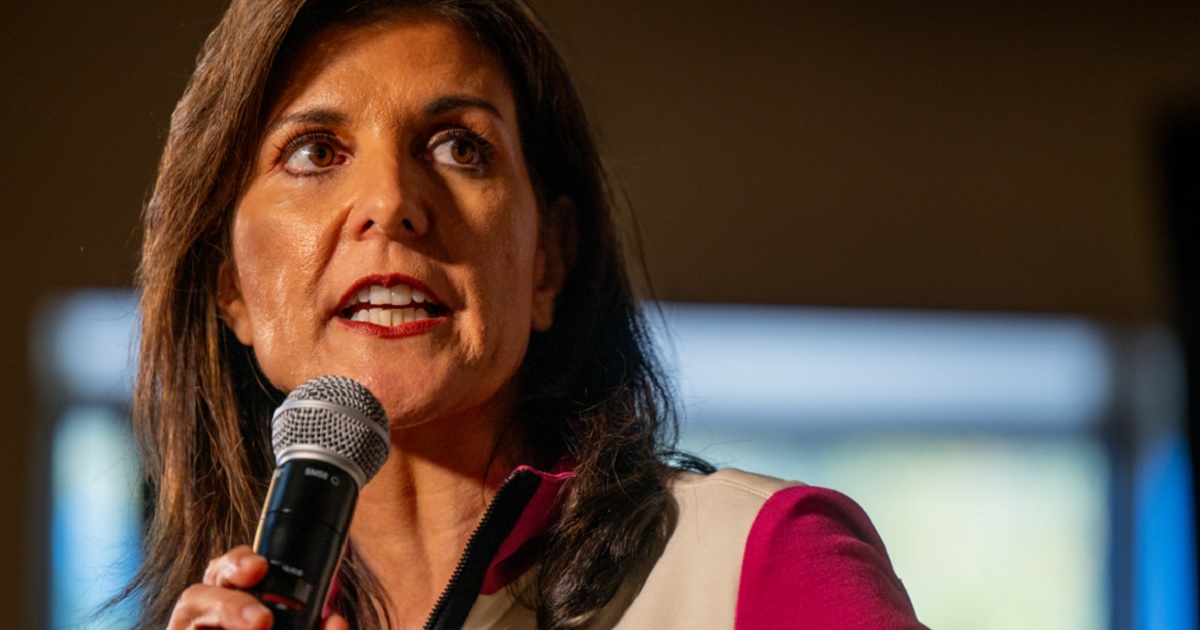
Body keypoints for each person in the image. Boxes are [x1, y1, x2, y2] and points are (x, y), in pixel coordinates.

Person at [121, 0, 926, 628]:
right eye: (314, 152)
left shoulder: (759, 561)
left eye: (459, 147)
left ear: (549, 259)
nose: (392, 203)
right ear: (229, 285)